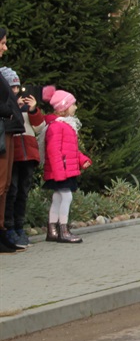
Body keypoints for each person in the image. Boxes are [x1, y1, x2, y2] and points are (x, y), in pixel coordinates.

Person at [3, 67, 46, 249]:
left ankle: (20, 227)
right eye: (11, 87)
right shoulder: (6, 106)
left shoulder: (27, 109)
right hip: (13, 155)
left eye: (17, 87)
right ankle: (9, 227)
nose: (15, 91)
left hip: (29, 155)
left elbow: (40, 127)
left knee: (23, 192)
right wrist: (14, 107)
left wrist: (33, 109)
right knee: (11, 191)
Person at [42, 90, 91, 244]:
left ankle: (52, 230)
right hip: (61, 170)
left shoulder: (66, 125)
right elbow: (53, 151)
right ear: (63, 107)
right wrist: (59, 173)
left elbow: (71, 150)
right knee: (66, 197)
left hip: (63, 169)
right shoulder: (57, 126)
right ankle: (63, 230)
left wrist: (82, 160)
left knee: (58, 197)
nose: (75, 107)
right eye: (73, 104)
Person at [0, 26, 23, 254]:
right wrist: (6, 110)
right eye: (2, 43)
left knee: (5, 185)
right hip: (1, 131)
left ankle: (2, 231)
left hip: (7, 131)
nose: (5, 47)